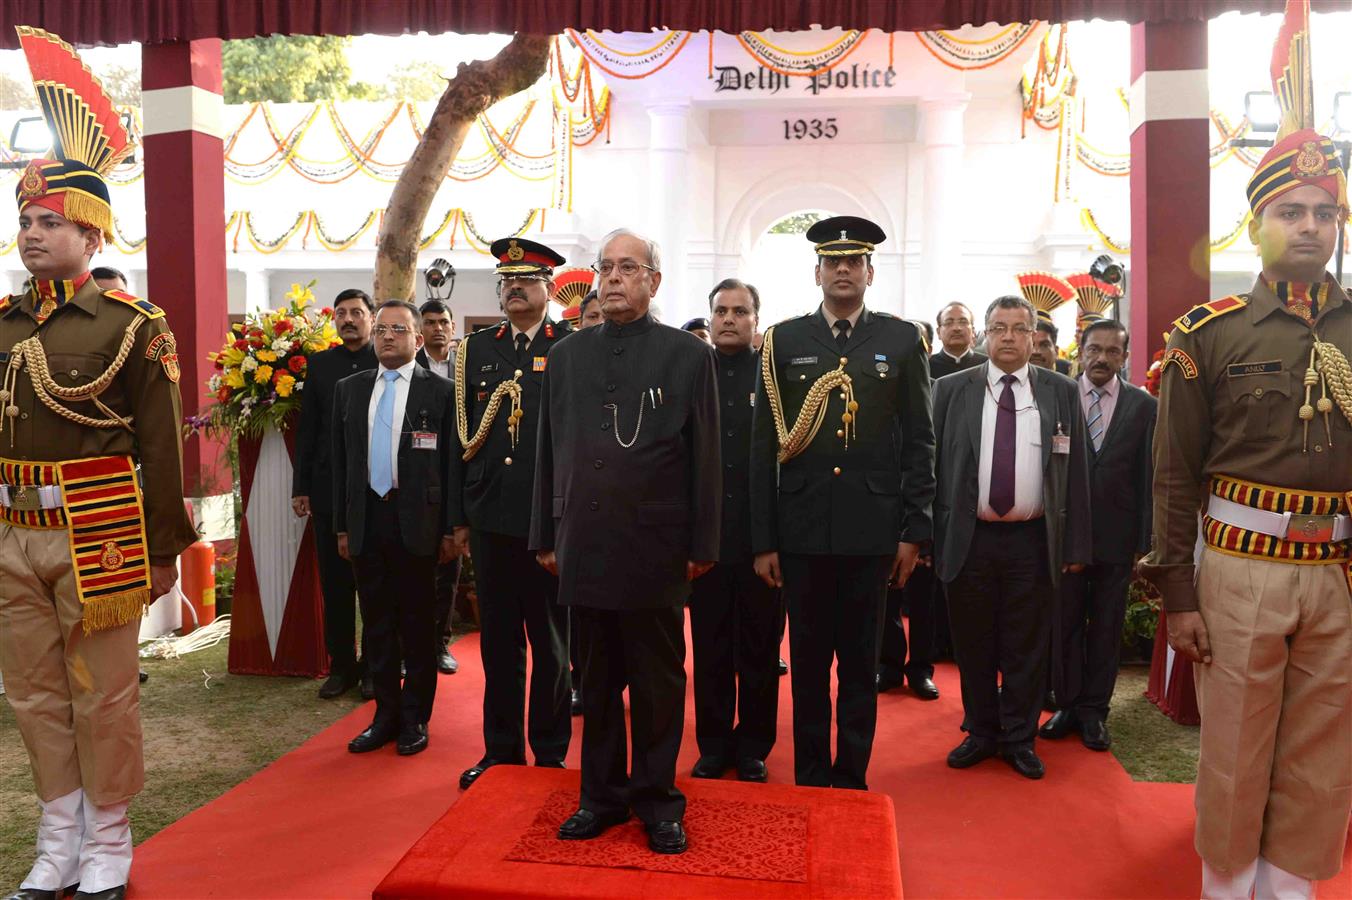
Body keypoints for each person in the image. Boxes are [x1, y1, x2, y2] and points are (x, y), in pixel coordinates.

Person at [0, 26, 198, 899]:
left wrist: (167, 550)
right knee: (34, 696)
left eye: (48, 222)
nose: (31, 233)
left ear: (91, 231)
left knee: (105, 695)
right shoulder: (3, 323)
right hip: (12, 529)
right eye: (24, 221)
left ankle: (109, 838)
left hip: (101, 529)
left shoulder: (132, 324)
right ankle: (58, 839)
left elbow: (161, 445)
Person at [1142, 126, 1352, 898]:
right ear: (1257, 223)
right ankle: (1228, 890)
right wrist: (1177, 595)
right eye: (1290, 211)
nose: (1309, 226)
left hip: (1338, 572)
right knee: (1234, 747)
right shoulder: (1209, 334)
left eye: (1324, 213)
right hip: (1241, 569)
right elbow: (1173, 479)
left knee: (1324, 751)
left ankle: (1290, 892)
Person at [531, 228, 719, 855]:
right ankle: (600, 799)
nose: (612, 278)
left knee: (659, 684)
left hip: (658, 547)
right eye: (605, 267)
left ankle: (659, 802)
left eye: (627, 267)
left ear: (652, 281)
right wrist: (545, 533)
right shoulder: (566, 356)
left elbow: (707, 459)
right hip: (584, 542)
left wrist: (704, 541)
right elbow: (547, 455)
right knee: (598, 683)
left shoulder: (689, 356)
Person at [750, 215, 935, 790]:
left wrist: (914, 529)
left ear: (870, 272)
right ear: (818, 272)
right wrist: (763, 541)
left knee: (860, 663)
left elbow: (920, 440)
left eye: (854, 262)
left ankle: (850, 775)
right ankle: (810, 775)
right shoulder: (783, 339)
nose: (844, 270)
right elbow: (763, 448)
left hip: (871, 529)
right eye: (834, 262)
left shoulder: (902, 339)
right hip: (801, 531)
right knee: (806, 664)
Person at [932, 295, 1091, 780]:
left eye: (1018, 329)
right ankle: (981, 731)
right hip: (968, 536)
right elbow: (928, 467)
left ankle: (1020, 738)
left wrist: (1076, 545)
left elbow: (1078, 470)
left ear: (1033, 337)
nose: (1007, 337)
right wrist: (921, 537)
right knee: (973, 642)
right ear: (984, 333)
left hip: (1033, 540)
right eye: (998, 327)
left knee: (1027, 644)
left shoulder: (1061, 392)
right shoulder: (949, 389)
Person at [452, 238, 572, 790]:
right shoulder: (475, 350)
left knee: (549, 643)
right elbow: (463, 441)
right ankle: (500, 752)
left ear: (549, 288)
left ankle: (548, 753)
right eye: (507, 281)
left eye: (526, 280)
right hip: (492, 515)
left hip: (547, 521)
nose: (515, 289)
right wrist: (461, 515)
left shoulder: (570, 346)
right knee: (499, 643)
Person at [333, 300, 457, 758]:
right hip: (368, 518)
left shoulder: (441, 393)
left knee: (419, 625)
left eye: (398, 329)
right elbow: (342, 466)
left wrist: (450, 530)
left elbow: (450, 468)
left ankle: (415, 718)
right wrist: (342, 529)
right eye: (381, 328)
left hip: (419, 524)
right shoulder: (350, 390)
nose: (387, 336)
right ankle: (384, 715)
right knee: (378, 624)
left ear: (418, 339)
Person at [1041, 319, 1155, 751]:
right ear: (1081, 350)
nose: (1102, 358)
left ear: (1124, 356)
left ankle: (1094, 713)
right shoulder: (1057, 397)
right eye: (1094, 349)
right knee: (1064, 624)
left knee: (1106, 628)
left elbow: (1148, 479)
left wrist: (1144, 544)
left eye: (1112, 351)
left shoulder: (1143, 407)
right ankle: (1066, 705)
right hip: (1066, 538)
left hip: (1116, 539)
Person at [688, 278, 780, 783]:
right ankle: (713, 744)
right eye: (721, 310)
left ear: (755, 320)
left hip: (759, 542)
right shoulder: (691, 374)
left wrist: (772, 542)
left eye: (739, 311)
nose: (728, 319)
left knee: (761, 647)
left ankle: (753, 747)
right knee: (711, 647)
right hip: (706, 542)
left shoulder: (773, 379)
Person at [292, 288, 378, 699]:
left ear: (371, 318)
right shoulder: (322, 364)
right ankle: (341, 666)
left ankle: (375, 669)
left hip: (378, 493)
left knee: (376, 587)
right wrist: (301, 487)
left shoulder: (387, 361)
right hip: (328, 492)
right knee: (336, 585)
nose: (348, 319)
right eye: (341, 313)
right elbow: (307, 429)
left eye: (356, 313)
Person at [416, 298, 460, 675]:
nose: (437, 328)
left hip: (457, 475)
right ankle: (410, 647)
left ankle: (441, 644)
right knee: (414, 574)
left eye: (443, 321)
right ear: (420, 329)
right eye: (429, 322)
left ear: (453, 325)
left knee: (449, 568)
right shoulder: (406, 367)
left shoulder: (467, 367)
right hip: (418, 477)